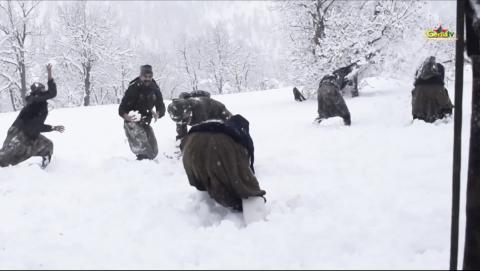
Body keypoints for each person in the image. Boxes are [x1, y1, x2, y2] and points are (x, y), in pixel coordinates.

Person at [181, 114, 266, 216]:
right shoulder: (241, 133)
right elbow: (247, 160)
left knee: (202, 178)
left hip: (191, 142)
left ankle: (203, 207)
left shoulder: (224, 125)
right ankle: (255, 220)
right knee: (247, 189)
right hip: (220, 143)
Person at [0, 64, 65, 169]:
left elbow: (52, 93)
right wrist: (52, 128)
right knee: (4, 158)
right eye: (43, 91)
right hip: (18, 132)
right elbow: (35, 125)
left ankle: (41, 172)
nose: (45, 93)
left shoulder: (40, 101)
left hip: (30, 133)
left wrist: (49, 74)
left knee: (47, 145)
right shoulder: (35, 102)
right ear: (38, 93)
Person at [118, 65, 166, 160]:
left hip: (145, 122)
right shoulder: (133, 88)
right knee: (144, 153)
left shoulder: (155, 88)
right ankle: (140, 165)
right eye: (145, 76)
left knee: (153, 153)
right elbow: (121, 109)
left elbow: (161, 106)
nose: (147, 79)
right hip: (132, 122)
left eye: (150, 77)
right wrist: (126, 117)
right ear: (140, 76)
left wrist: (158, 113)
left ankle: (145, 161)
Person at [167, 96, 232, 142]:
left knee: (230, 126)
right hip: (201, 113)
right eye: (178, 120)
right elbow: (181, 131)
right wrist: (182, 140)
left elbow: (203, 132)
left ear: (188, 112)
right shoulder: (178, 111)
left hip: (218, 110)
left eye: (182, 119)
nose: (181, 122)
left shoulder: (199, 112)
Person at [411, 56, 453, 123]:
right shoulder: (438, 87)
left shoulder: (417, 87)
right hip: (434, 121)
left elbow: (414, 105)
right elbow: (446, 105)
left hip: (418, 120)